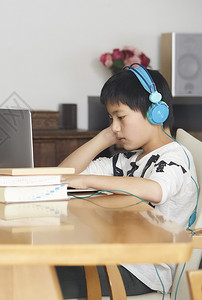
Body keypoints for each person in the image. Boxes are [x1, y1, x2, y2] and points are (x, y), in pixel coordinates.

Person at [56, 65, 198, 298]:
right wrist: (105, 136)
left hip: (143, 271)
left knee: (38, 277)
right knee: (36, 268)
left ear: (156, 112)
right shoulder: (129, 161)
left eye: (120, 116)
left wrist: (89, 180)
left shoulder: (175, 156)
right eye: (111, 118)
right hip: (116, 259)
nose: (114, 126)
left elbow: (155, 190)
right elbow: (63, 175)